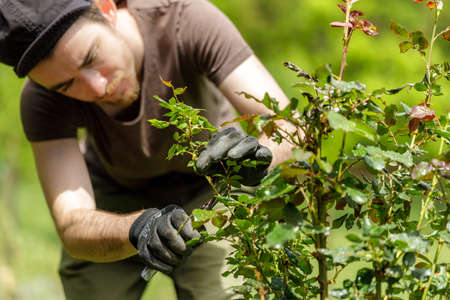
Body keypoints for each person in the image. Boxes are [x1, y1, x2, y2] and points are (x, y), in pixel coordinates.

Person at [0, 0, 292, 299]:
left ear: (106, 9)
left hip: (216, 181)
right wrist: (138, 228)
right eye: (67, 85)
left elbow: (288, 127)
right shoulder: (41, 98)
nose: (97, 88)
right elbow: (73, 223)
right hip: (115, 195)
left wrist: (258, 160)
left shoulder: (185, 19)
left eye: (91, 58)